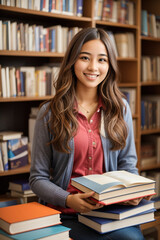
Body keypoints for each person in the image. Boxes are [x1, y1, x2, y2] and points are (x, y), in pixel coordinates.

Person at [29, 27, 147, 240]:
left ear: (109, 65)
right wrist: (67, 199)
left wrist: (133, 192)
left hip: (111, 213)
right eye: (85, 57)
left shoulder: (120, 108)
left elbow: (128, 166)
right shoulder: (49, 112)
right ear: (72, 60)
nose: (93, 67)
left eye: (102, 60)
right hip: (65, 215)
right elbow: (37, 178)